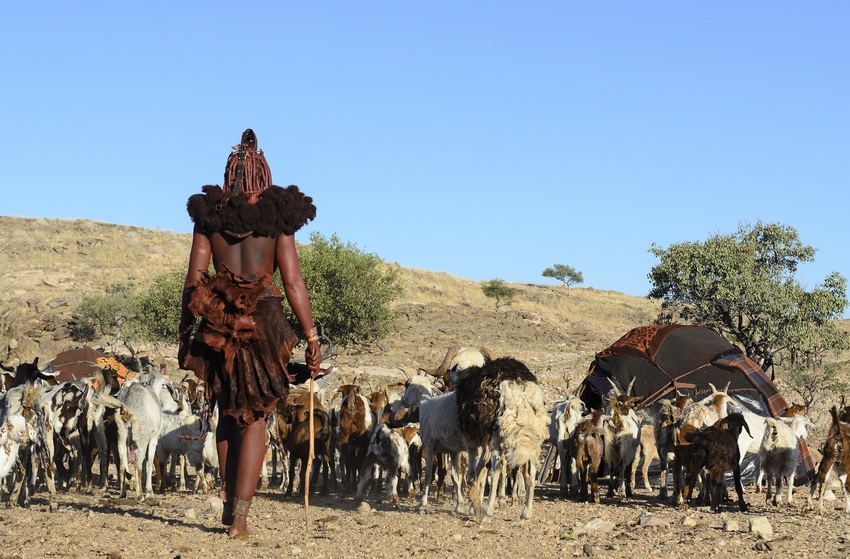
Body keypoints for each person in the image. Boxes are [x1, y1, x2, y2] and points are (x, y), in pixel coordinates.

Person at [178, 128, 322, 539]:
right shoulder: (277, 217)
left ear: (230, 171)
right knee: (255, 416)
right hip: (264, 320)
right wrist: (311, 337)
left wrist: (186, 333)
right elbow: (292, 282)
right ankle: (240, 519)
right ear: (262, 172)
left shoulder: (210, 216)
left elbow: (194, 279)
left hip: (219, 320)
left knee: (228, 411)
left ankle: (227, 504)